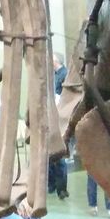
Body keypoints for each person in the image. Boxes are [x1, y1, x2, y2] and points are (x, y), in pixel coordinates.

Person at [48, 53, 70, 200]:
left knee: (59, 156)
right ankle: (53, 185)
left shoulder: (64, 75)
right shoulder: (54, 75)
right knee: (51, 155)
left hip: (60, 119)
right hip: (52, 117)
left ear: (55, 61)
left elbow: (65, 97)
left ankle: (61, 188)